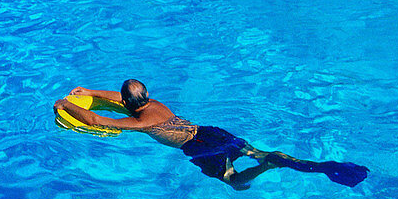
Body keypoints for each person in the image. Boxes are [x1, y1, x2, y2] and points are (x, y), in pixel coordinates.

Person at [54, 79, 368, 191]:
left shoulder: (142, 123)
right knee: (255, 152)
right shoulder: (156, 105)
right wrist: (92, 90)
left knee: (237, 183)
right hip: (212, 132)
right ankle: (285, 160)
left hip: (198, 147)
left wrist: (66, 103)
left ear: (131, 104)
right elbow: (120, 100)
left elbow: (97, 120)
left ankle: (268, 165)